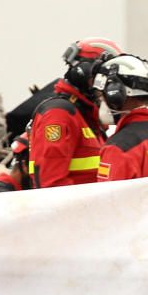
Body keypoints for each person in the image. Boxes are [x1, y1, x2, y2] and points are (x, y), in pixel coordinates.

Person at [29, 38, 121, 188]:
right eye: (105, 77)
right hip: (76, 210)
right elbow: (51, 184)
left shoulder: (87, 116)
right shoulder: (59, 115)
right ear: (85, 73)